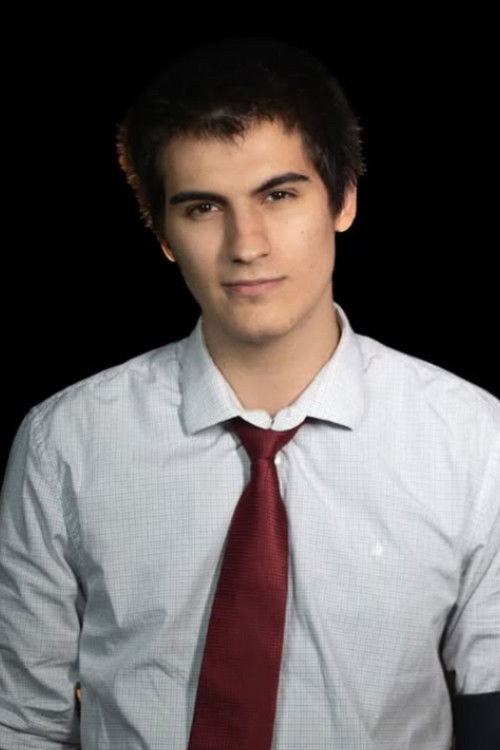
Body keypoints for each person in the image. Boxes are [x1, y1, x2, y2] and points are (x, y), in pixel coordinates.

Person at [0, 35, 498, 750]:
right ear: (163, 233)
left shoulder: (474, 439)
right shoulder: (66, 443)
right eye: (203, 208)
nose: (247, 244)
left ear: (344, 199)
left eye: (279, 195)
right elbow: (24, 720)